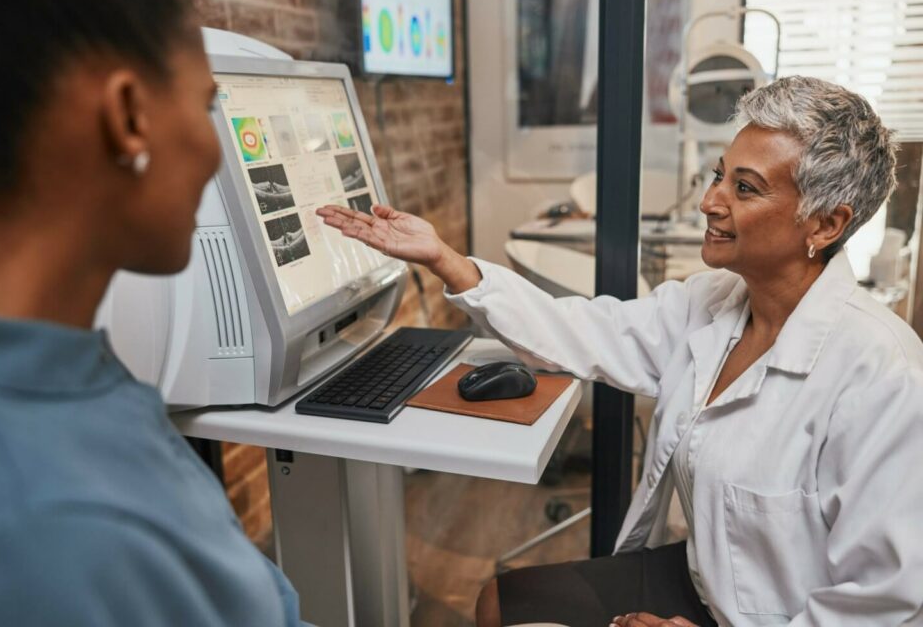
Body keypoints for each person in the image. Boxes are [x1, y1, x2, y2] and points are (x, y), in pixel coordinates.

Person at [317, 76, 923, 626]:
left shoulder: (882, 377)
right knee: (499, 604)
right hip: (705, 581)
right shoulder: (713, 302)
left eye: (745, 188)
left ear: (824, 225)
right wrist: (447, 260)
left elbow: (887, 602)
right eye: (720, 174)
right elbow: (580, 330)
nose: (712, 201)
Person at [0, 0, 304, 625]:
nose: (212, 150)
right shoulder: (43, 539)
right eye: (207, 106)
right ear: (127, 115)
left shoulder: (42, 377)